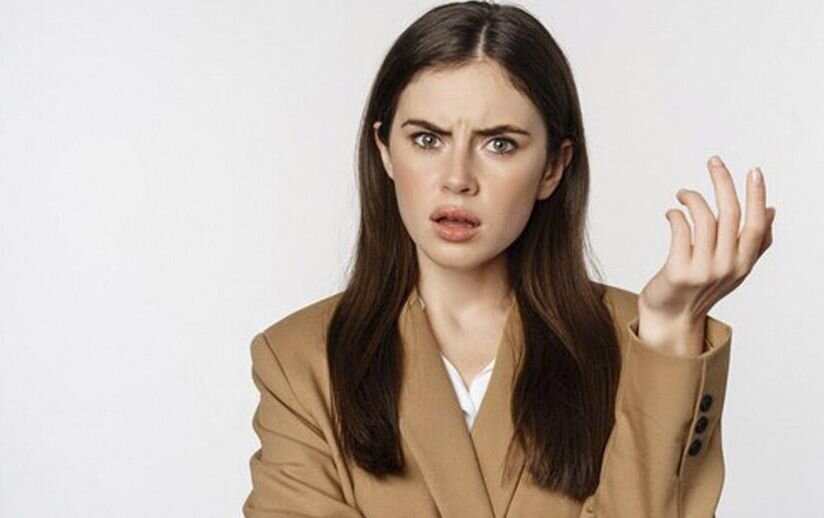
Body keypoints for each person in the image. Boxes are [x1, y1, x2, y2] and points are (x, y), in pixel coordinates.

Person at [242, 1, 775, 517]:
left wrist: (670, 329)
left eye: (499, 144)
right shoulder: (300, 358)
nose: (457, 178)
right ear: (384, 149)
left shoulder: (640, 345)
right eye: (427, 139)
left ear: (553, 167)